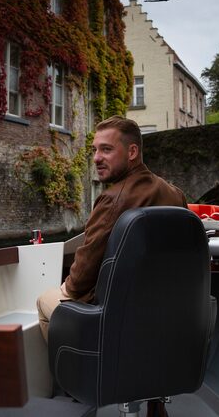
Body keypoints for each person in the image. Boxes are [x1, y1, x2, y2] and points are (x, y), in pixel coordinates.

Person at [37, 116, 187, 339]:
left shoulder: (112, 200)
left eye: (106, 150)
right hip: (164, 311)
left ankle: (79, 371)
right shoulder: (175, 194)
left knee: (44, 300)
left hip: (118, 316)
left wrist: (66, 289)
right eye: (95, 150)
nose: (96, 158)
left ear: (132, 152)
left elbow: (80, 278)